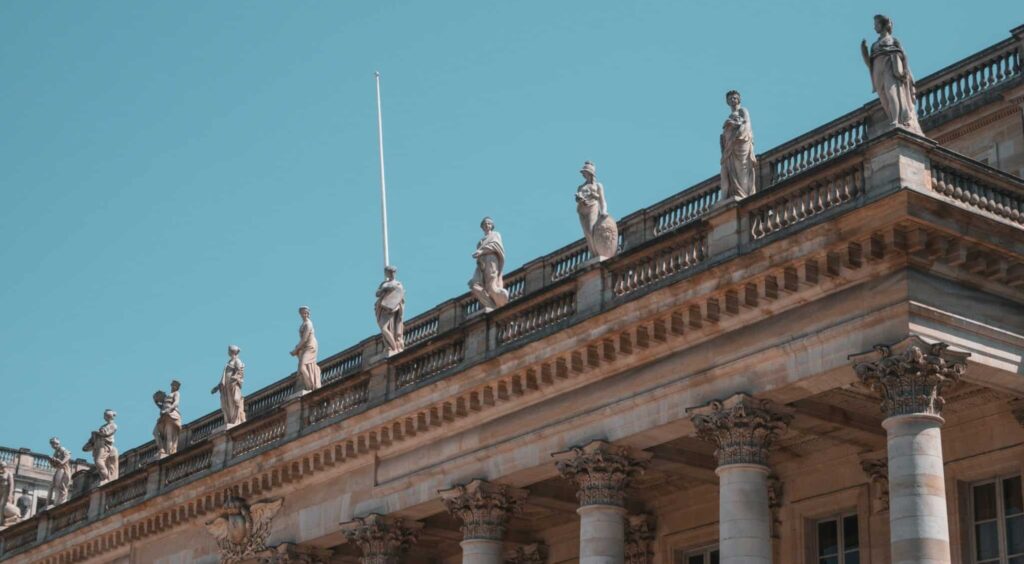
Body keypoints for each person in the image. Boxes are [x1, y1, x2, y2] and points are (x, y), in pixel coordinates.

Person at [860, 14, 921, 132]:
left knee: (891, 92)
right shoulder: (874, 45)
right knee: (884, 98)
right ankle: (892, 117)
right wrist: (864, 51)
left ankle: (896, 120)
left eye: (876, 24)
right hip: (878, 71)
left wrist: (905, 70)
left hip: (890, 67)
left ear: (883, 25)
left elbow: (904, 56)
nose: (874, 27)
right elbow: (870, 64)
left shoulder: (893, 40)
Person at [575, 161, 618, 260]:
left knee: (591, 231)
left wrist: (604, 211)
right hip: (582, 210)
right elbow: (578, 198)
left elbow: (602, 201)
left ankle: (597, 253)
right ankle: (593, 254)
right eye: (583, 173)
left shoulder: (598, 185)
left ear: (590, 173)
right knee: (587, 233)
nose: (583, 174)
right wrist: (579, 199)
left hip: (592, 207)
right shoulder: (580, 187)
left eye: (585, 172)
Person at [720, 90, 757, 198]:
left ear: (739, 99)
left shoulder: (743, 110)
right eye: (730, 98)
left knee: (742, 169)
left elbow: (747, 124)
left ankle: (744, 193)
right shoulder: (730, 115)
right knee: (730, 170)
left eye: (734, 98)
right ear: (727, 101)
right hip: (730, 146)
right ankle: (735, 192)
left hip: (741, 143)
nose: (732, 100)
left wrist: (734, 126)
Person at [469, 217, 509, 312]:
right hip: (481, 265)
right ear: (482, 227)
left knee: (490, 285)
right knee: (474, 285)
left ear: (492, 226)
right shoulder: (479, 242)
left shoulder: (496, 235)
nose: (487, 225)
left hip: (491, 260)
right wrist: (479, 255)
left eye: (489, 223)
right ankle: (490, 304)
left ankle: (494, 303)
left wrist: (481, 251)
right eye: (485, 224)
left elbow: (496, 246)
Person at [211, 346, 246, 426]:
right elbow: (223, 377)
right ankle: (230, 421)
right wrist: (217, 387)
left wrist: (235, 378)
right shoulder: (228, 362)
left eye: (228, 350)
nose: (228, 352)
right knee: (227, 404)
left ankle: (236, 421)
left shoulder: (237, 361)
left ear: (232, 352)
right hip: (226, 387)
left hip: (233, 385)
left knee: (235, 401)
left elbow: (240, 372)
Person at [82, 409, 119, 485]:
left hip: (104, 445)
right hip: (98, 445)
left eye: (105, 415)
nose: (104, 417)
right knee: (97, 461)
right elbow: (99, 435)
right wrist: (90, 441)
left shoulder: (113, 425)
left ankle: (105, 477)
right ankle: (104, 477)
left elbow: (105, 433)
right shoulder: (103, 426)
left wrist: (96, 433)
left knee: (98, 461)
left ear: (109, 416)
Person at [375, 266, 406, 355]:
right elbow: (377, 293)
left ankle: (393, 347)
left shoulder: (398, 284)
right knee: (384, 328)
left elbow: (399, 296)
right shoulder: (383, 283)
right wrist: (383, 290)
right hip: (382, 307)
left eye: (392, 272)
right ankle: (390, 347)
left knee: (386, 329)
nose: (390, 274)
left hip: (391, 309)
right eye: (388, 272)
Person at [290, 306, 322, 392]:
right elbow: (302, 340)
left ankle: (310, 386)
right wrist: (298, 348)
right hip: (305, 346)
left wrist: (296, 350)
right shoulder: (303, 324)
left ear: (308, 314)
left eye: (305, 313)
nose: (304, 314)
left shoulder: (308, 324)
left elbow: (304, 339)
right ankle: (309, 386)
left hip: (310, 346)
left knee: (302, 367)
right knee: (303, 366)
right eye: (302, 313)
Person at [153, 380, 182, 456]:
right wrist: (156, 403)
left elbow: (176, 403)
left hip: (171, 415)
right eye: (172, 385)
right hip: (163, 415)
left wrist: (169, 410)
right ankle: (161, 449)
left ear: (177, 387)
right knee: (155, 432)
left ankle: (169, 454)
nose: (172, 386)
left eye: (174, 385)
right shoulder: (168, 395)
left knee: (169, 435)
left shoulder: (176, 393)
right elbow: (162, 406)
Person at [47, 437, 71, 506]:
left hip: (63, 469)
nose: (52, 446)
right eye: (51, 444)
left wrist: (61, 462)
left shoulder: (62, 449)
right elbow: (55, 465)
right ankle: (55, 502)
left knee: (60, 485)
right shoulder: (56, 451)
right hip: (59, 469)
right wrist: (52, 461)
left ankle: (61, 501)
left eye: (52, 444)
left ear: (56, 443)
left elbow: (68, 456)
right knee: (54, 485)